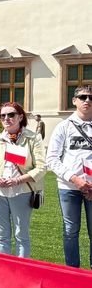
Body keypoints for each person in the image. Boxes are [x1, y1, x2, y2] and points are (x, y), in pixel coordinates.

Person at [0, 101, 46, 258]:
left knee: (21, 235)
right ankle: (5, 271)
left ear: (20, 117)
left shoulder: (33, 138)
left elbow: (41, 167)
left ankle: (23, 270)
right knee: (1, 235)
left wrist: (18, 180)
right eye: (3, 115)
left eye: (11, 115)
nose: (6, 118)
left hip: (22, 191)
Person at [46, 84, 92, 268]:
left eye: (91, 97)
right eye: (83, 97)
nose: (87, 100)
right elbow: (52, 159)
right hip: (69, 187)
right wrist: (75, 179)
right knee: (70, 231)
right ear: (74, 101)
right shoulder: (63, 127)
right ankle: (72, 271)